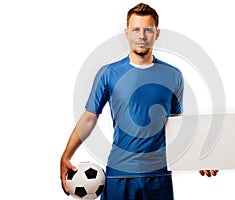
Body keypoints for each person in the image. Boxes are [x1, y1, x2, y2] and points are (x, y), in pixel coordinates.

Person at [60, 3, 218, 200]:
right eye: (136, 29)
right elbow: (90, 118)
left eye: (148, 30)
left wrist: (199, 158)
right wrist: (66, 156)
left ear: (157, 33)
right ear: (126, 32)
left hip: (158, 176)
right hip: (119, 175)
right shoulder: (108, 73)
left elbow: (177, 125)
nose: (141, 36)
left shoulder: (173, 75)